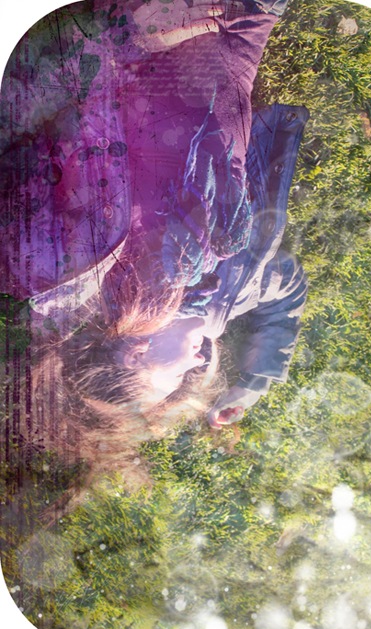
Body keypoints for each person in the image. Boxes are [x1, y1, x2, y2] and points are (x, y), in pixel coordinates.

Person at [0, 0, 308, 483]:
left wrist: (179, 21)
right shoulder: (224, 292)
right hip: (240, 32)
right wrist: (256, 379)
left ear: (136, 355)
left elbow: (61, 82)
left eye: (177, 375)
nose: (198, 364)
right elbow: (286, 288)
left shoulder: (72, 261)